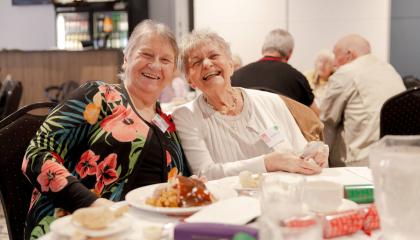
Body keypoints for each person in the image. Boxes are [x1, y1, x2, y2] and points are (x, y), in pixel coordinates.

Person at [21, 20, 190, 239]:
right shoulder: (99, 96)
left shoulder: (166, 122)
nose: (155, 65)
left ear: (172, 70)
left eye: (165, 59)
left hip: (145, 231)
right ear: (126, 58)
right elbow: (35, 154)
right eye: (146, 55)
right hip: (80, 227)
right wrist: (91, 203)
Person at [172, 29, 327, 180]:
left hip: (282, 197)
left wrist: (315, 152)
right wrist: (269, 162)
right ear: (189, 80)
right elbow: (204, 173)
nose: (206, 63)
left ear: (231, 65)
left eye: (213, 55)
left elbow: (300, 152)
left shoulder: (270, 101)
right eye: (196, 62)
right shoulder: (186, 115)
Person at [320, 34, 405, 167]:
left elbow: (325, 119)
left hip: (359, 162)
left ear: (349, 54)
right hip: (397, 156)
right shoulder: (390, 70)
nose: (334, 63)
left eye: (336, 55)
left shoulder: (346, 73)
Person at [231, 29, 319, 115]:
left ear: (263, 49)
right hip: (284, 129)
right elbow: (315, 115)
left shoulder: (236, 77)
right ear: (289, 53)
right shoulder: (297, 78)